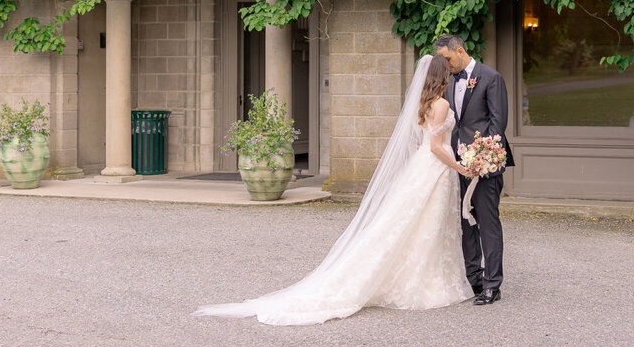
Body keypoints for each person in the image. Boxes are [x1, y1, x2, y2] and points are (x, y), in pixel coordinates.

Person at [195, 54, 474, 325]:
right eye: (447, 74)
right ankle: (425, 283)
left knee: (418, 224)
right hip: (435, 167)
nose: (450, 77)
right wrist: (461, 167)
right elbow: (436, 146)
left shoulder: (423, 103)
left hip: (423, 166)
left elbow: (422, 142)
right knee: (428, 225)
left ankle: (421, 278)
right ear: (442, 77)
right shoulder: (441, 105)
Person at [433, 33, 514, 306]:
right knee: (466, 224)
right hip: (455, 166)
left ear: (460, 50)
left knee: (488, 225)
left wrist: (481, 158)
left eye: (447, 58)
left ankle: (493, 285)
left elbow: (497, 123)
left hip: (484, 166)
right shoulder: (448, 81)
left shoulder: (491, 78)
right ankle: (475, 280)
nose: (446, 64)